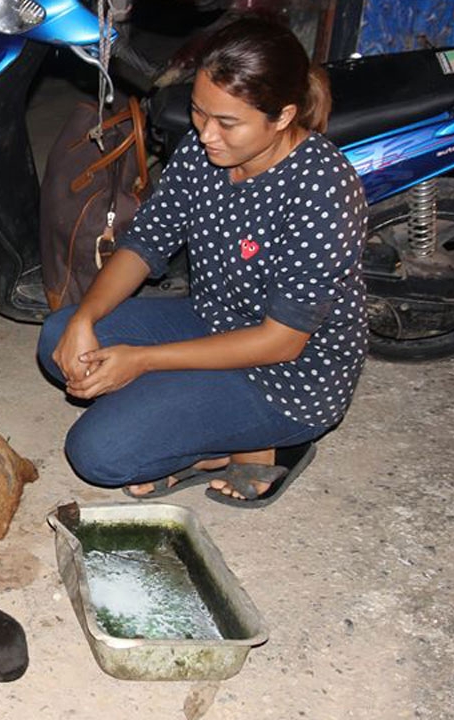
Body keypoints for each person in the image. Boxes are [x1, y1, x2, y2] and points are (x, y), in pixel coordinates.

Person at [36, 15, 368, 508]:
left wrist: (143, 361)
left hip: (289, 375)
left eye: (228, 123)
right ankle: (187, 407)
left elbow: (281, 341)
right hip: (212, 320)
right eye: (198, 113)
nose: (207, 134)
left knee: (99, 453)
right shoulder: (202, 152)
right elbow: (144, 244)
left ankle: (264, 443)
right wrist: (86, 317)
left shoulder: (323, 188)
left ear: (282, 117)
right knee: (59, 340)